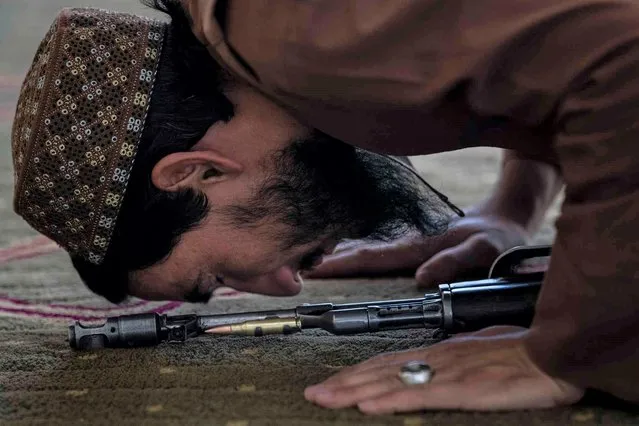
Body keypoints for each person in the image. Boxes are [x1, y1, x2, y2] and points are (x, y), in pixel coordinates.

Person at [11, 0, 639, 415]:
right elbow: (556, 36)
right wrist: (514, 203)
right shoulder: (276, 43)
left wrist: (567, 346)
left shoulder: (319, 37)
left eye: (222, 275)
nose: (286, 288)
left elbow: (626, 61)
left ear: (195, 172)